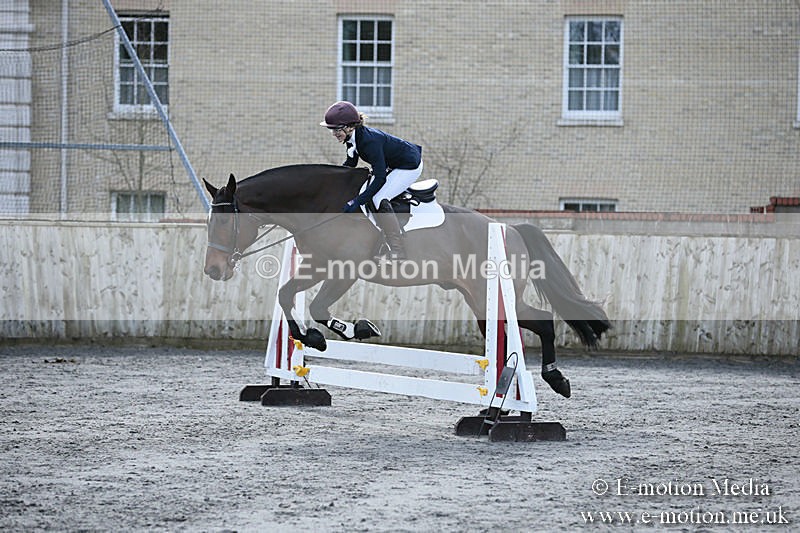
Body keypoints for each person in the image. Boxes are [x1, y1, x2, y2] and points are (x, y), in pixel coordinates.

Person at [320, 101, 422, 260]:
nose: (334, 134)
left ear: (349, 127)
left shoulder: (369, 142)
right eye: (332, 130)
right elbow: (350, 165)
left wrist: (357, 201)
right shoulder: (352, 139)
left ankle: (397, 249)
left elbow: (380, 177)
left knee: (379, 198)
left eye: (336, 130)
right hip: (394, 163)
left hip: (409, 165)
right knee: (368, 193)